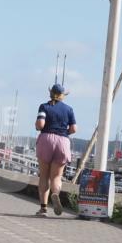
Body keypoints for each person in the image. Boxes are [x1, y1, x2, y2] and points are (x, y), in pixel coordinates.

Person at [34, 83, 77, 217]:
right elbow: (74, 129)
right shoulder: (69, 109)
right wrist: (64, 133)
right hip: (63, 141)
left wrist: (37, 126)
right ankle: (55, 193)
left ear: (50, 93)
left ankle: (43, 208)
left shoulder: (44, 106)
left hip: (46, 139)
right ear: (63, 95)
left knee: (44, 176)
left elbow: (40, 124)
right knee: (56, 176)